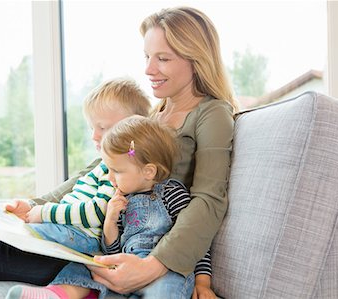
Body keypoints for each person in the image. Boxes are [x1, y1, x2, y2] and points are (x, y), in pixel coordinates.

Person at [0, 77, 151, 284]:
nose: (94, 136)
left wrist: (42, 212)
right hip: (58, 233)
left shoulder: (118, 172)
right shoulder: (101, 166)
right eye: (92, 127)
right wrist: (32, 208)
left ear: (130, 131)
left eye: (103, 128)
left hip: (68, 246)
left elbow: (96, 212)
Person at [85, 6, 237, 299]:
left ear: (196, 60)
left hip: (154, 252)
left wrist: (153, 266)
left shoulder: (212, 113)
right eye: (147, 57)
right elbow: (99, 166)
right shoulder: (154, 116)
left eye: (163, 59)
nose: (148, 70)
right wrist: (37, 205)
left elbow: (209, 200)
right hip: (114, 236)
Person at [7, 116, 212, 299]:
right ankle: (57, 294)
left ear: (149, 171)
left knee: (165, 290)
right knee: (84, 265)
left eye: (116, 171)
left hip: (164, 271)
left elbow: (196, 242)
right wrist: (111, 221)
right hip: (121, 266)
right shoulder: (119, 198)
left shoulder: (173, 194)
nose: (110, 177)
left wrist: (203, 282)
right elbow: (111, 249)